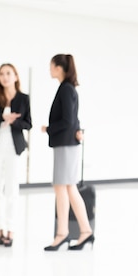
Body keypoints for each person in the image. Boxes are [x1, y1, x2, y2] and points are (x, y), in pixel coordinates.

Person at [42, 54, 94, 251]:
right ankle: (83, 231)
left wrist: (48, 129)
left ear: (59, 68)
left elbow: (68, 120)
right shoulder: (67, 89)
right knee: (66, 187)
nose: (50, 69)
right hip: (66, 143)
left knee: (64, 187)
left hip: (65, 144)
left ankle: (64, 234)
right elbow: (73, 119)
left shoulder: (66, 89)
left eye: (51, 66)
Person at [0, 63, 32, 247]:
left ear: (16, 77)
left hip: (14, 148)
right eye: (2, 74)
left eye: (8, 73)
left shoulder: (23, 99)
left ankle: (10, 230)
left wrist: (13, 122)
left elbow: (28, 124)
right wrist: (2, 117)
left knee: (12, 189)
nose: (5, 77)